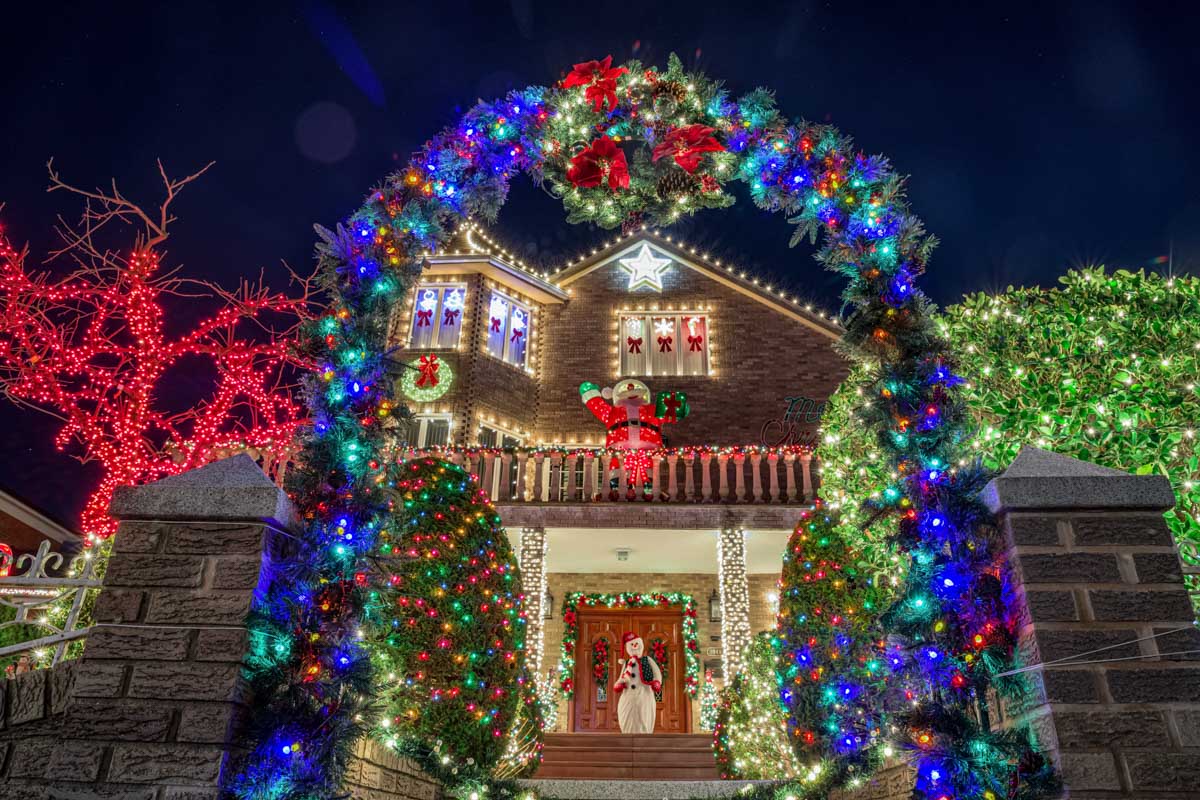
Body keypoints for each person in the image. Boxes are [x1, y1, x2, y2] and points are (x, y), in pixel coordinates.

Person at [613, 631, 662, 734]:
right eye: (632, 644)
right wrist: (618, 684)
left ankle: (644, 741)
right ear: (627, 647)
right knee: (628, 718)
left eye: (637, 644)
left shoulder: (647, 660)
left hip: (644, 694)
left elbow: (657, 673)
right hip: (628, 696)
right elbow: (622, 677)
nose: (635, 646)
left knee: (643, 717)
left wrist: (657, 682)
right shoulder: (626, 663)